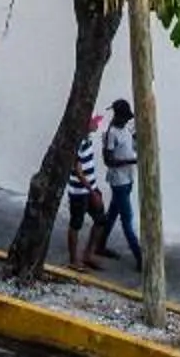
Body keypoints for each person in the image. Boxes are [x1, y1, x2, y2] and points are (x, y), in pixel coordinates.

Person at [98, 96, 144, 266]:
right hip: (119, 182)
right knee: (127, 219)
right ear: (118, 116)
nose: (126, 121)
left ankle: (100, 245)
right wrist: (132, 162)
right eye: (124, 118)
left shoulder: (125, 129)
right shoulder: (111, 133)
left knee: (112, 215)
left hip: (128, 179)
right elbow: (108, 161)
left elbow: (130, 145)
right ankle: (140, 257)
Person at [65, 117, 108, 269]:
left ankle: (88, 254)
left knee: (101, 219)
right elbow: (78, 170)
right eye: (94, 122)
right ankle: (73, 260)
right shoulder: (78, 143)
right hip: (79, 191)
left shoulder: (88, 139)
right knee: (76, 224)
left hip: (90, 188)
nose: (97, 124)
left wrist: (95, 188)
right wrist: (92, 192)